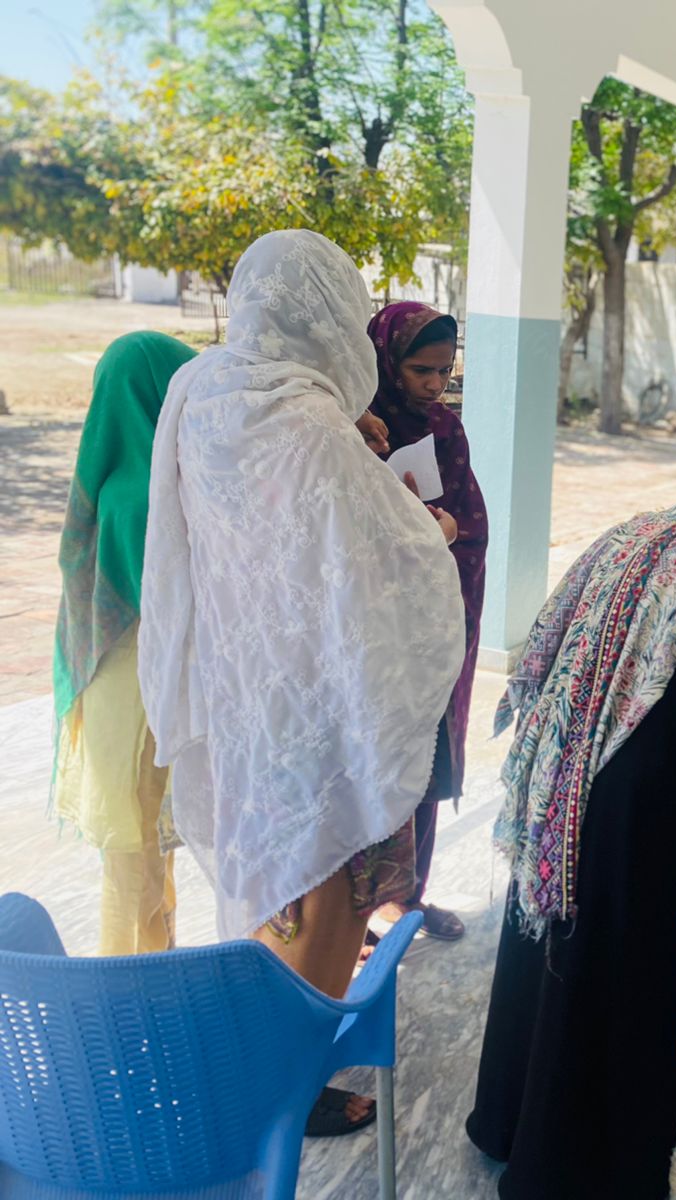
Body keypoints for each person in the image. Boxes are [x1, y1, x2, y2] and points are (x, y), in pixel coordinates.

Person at [139, 229, 465, 1136]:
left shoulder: (201, 390)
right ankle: (285, 1085)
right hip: (317, 703)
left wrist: (344, 437)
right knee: (324, 884)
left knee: (265, 877)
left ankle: (250, 1048)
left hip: (244, 689)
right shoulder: (308, 426)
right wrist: (427, 529)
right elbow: (385, 558)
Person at [466, 480, 676, 1200]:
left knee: (543, 944)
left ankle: (506, 1121)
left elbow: (550, 640)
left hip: (562, 762)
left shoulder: (633, 535)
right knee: (617, 966)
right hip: (637, 802)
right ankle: (582, 1163)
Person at [52, 331, 196, 957]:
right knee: (140, 844)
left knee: (134, 845)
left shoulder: (112, 477)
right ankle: (133, 977)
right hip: (147, 689)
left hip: (114, 684)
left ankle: (144, 963)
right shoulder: (159, 485)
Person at [363, 302, 486, 943]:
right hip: (376, 627)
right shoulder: (354, 426)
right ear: (386, 359)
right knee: (377, 759)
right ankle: (357, 912)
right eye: (421, 370)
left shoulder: (445, 428)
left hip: (435, 617)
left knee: (430, 754)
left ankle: (409, 898)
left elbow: (472, 525)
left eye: (445, 370)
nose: (436, 385)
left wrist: (447, 531)